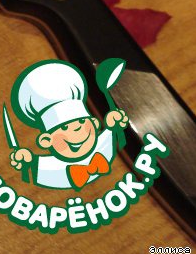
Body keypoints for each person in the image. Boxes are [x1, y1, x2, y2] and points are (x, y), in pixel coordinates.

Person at [9, 60, 128, 190]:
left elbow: (110, 136)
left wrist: (113, 125)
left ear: (94, 123)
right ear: (46, 141)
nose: (77, 129)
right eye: (65, 127)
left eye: (81, 121)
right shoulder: (52, 169)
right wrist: (27, 160)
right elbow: (35, 169)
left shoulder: (103, 145)